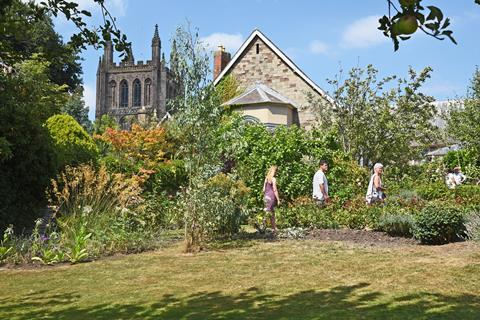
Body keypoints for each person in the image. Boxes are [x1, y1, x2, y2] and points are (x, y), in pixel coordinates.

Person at [263, 165, 280, 233]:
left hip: (266, 196)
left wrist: (266, 195)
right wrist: (278, 199)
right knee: (268, 212)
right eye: (276, 172)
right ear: (274, 171)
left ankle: (274, 227)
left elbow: (263, 189)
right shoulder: (273, 179)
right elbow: (275, 190)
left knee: (271, 212)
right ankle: (263, 226)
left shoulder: (266, 178)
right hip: (271, 196)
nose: (276, 173)